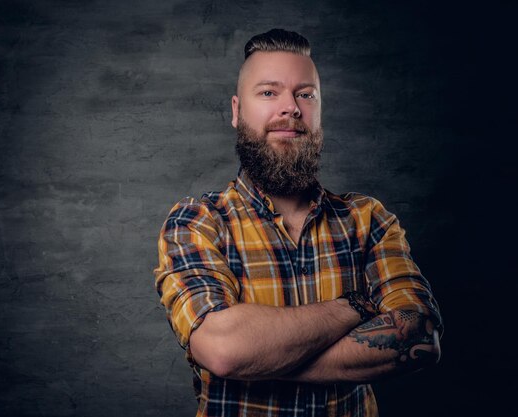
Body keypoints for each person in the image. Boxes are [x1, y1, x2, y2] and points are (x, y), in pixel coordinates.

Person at [154, 28, 443, 417]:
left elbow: (420, 336)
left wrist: (261, 363)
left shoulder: (368, 219)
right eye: (269, 92)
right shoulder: (198, 223)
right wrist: (357, 305)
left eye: (305, 94)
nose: (290, 107)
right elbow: (223, 350)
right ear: (237, 111)